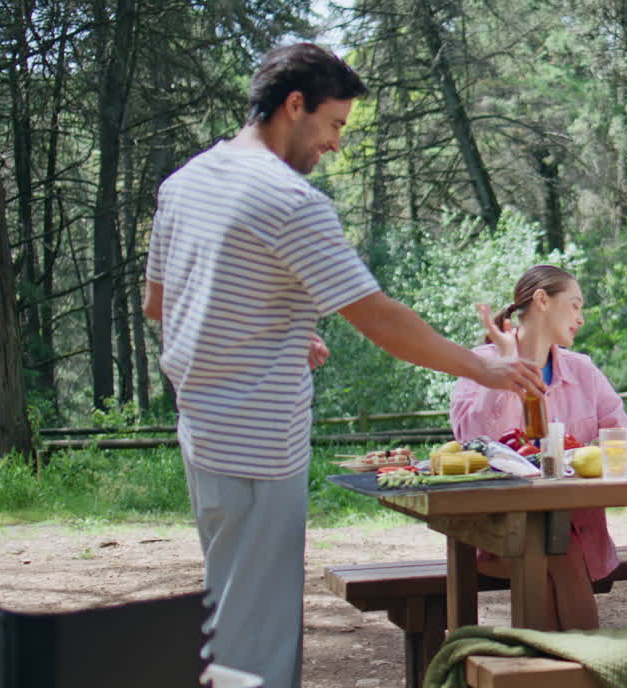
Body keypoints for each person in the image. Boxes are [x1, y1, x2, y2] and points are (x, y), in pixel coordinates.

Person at [142, 43, 543, 688]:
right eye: (333, 124)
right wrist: (483, 369)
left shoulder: (185, 183)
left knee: (229, 615)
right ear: (294, 105)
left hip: (202, 434)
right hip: (259, 441)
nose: (335, 143)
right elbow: (379, 317)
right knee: (258, 639)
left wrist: (276, 330)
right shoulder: (287, 199)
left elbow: (162, 304)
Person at [450, 265, 627, 630]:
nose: (580, 318)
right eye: (575, 305)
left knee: (553, 549)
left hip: (574, 527)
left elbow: (620, 435)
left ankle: (551, 662)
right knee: (553, 549)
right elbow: (470, 439)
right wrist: (499, 376)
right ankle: (587, 660)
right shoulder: (481, 363)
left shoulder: (583, 371)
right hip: (497, 530)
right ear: (542, 300)